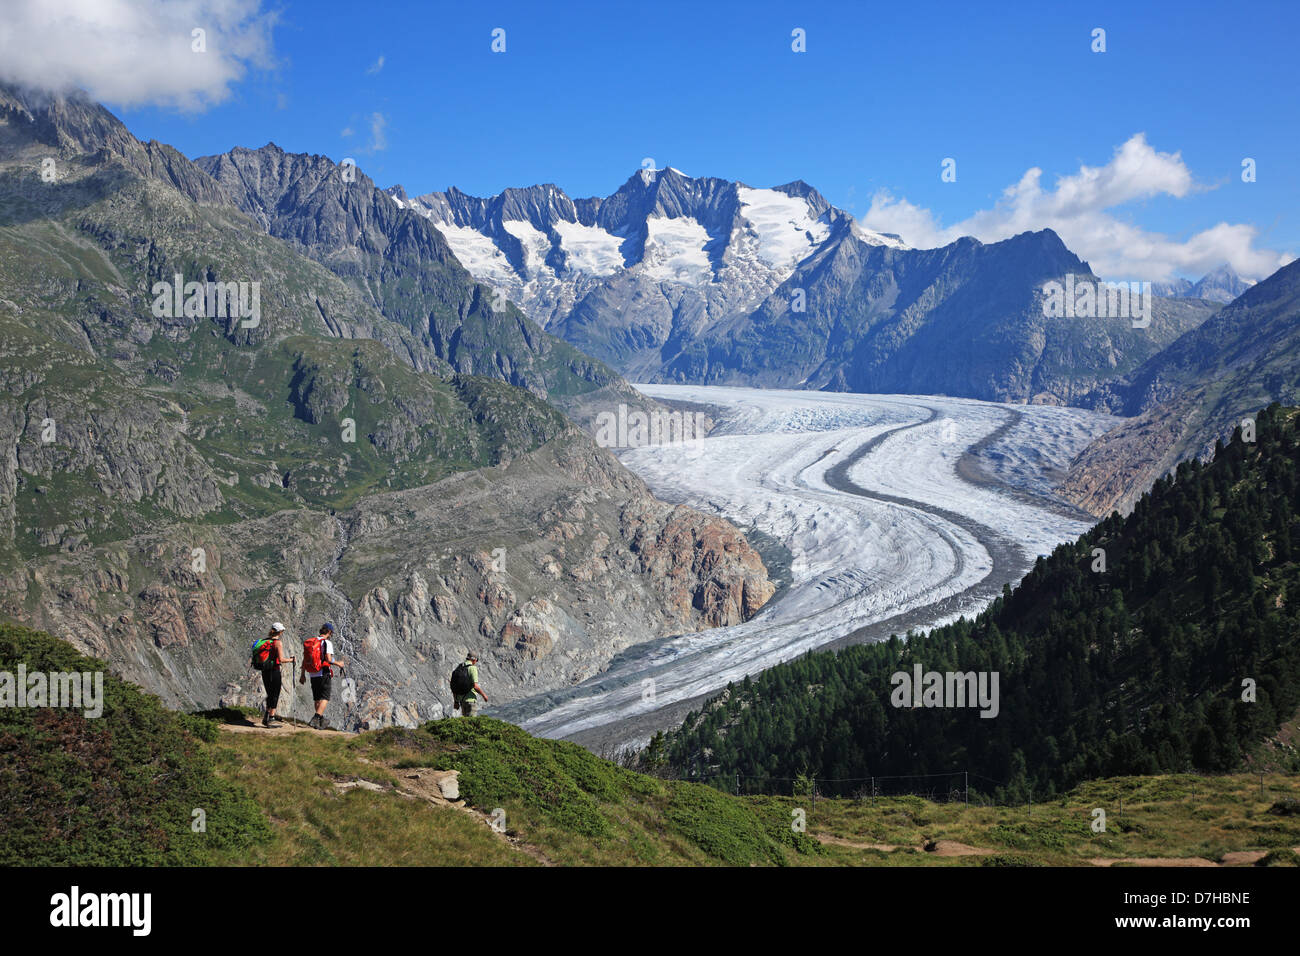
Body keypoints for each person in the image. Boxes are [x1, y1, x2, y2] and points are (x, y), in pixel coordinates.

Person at [300, 622, 338, 729]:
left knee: (317, 698)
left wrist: (302, 674)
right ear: (329, 632)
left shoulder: (312, 642)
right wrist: (339, 663)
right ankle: (316, 718)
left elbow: (305, 660)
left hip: (312, 674)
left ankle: (319, 722)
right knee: (325, 697)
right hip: (323, 672)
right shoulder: (327, 643)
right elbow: (329, 659)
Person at [253, 623, 292, 727]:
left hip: (265, 671)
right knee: (275, 694)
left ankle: (266, 716)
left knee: (270, 693)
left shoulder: (265, 641)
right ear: (280, 632)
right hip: (274, 671)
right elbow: (281, 659)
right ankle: (271, 718)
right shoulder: (277, 643)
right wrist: (291, 660)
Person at [452, 651, 488, 717]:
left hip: (461, 701)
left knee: (465, 723)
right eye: (476, 660)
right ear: (474, 659)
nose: (475, 662)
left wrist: (456, 701)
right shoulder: (472, 668)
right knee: (471, 723)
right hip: (471, 700)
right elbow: (475, 686)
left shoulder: (459, 668)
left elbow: (454, 687)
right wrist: (484, 696)